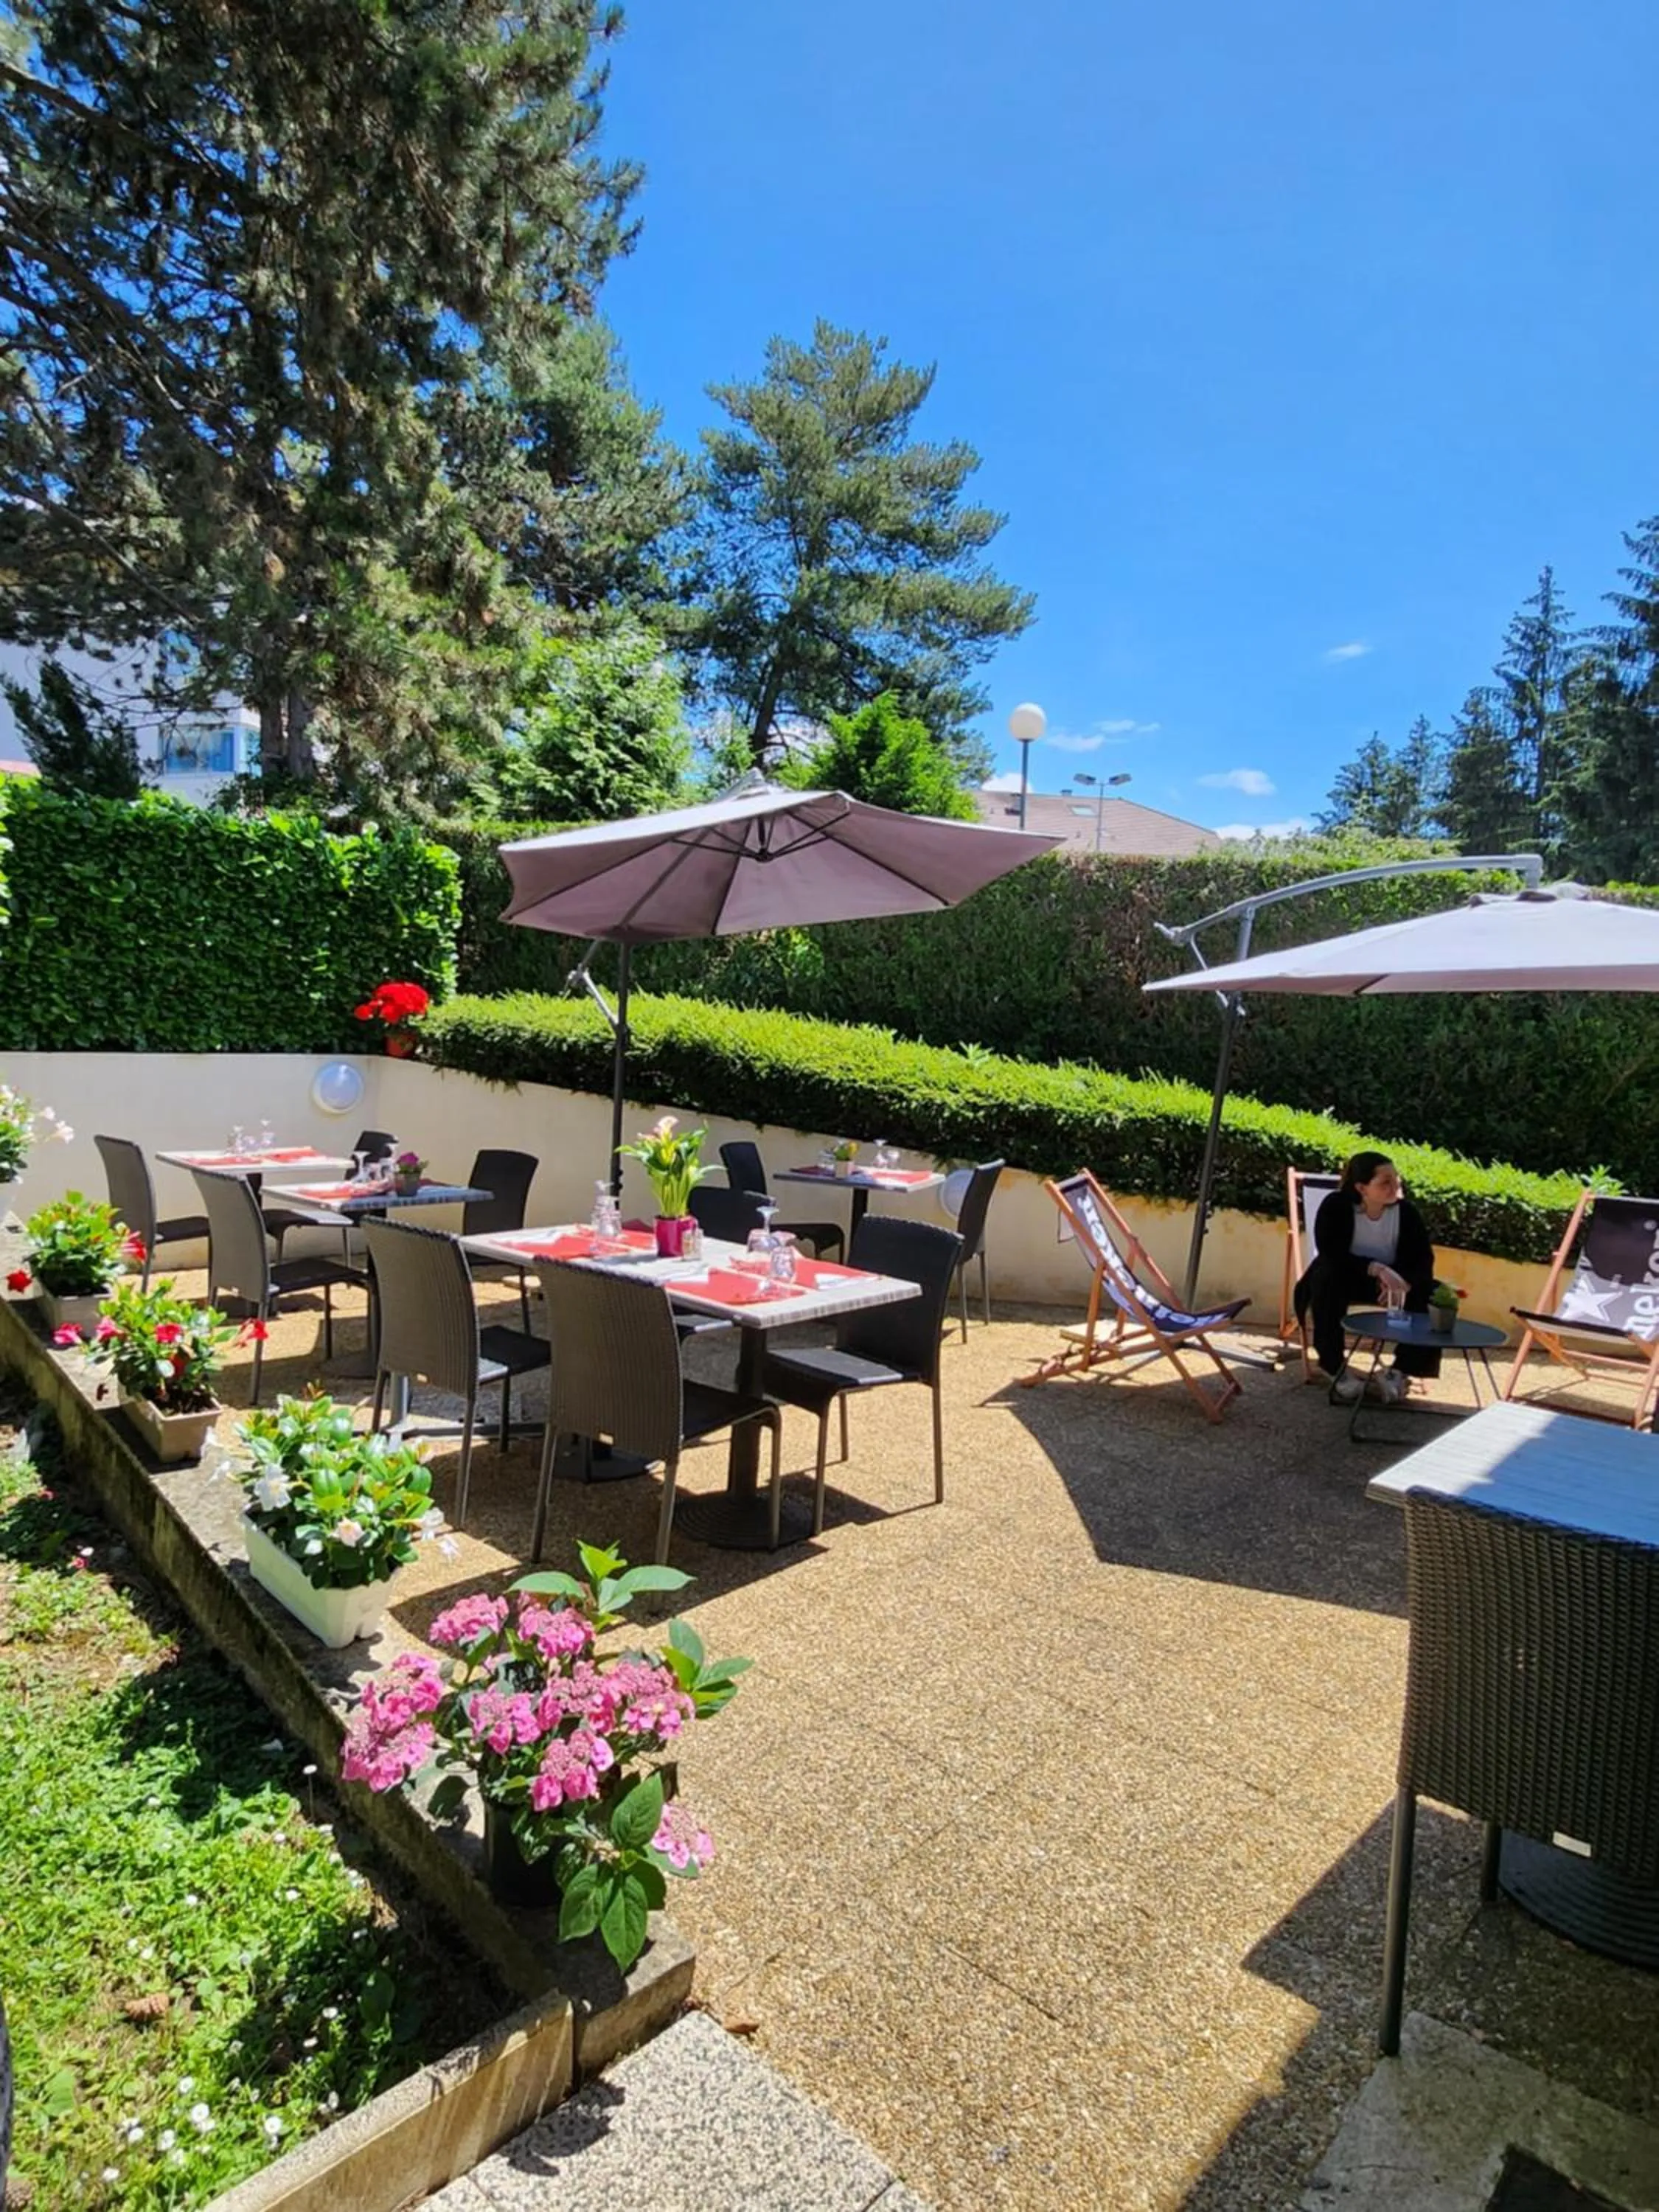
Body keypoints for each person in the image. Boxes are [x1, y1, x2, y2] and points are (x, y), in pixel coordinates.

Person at [1294, 1151, 1443, 1403]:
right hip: (1344, 1276)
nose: (1395, 1187)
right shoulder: (1337, 1206)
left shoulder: (1406, 1213)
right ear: (1362, 1187)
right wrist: (1377, 1269)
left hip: (1391, 1284)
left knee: (1436, 1295)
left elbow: (1423, 1259)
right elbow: (1331, 1253)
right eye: (1386, 1182)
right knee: (1327, 1279)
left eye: (1396, 1180)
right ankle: (1334, 1367)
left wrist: (1404, 1283)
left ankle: (1400, 1371)